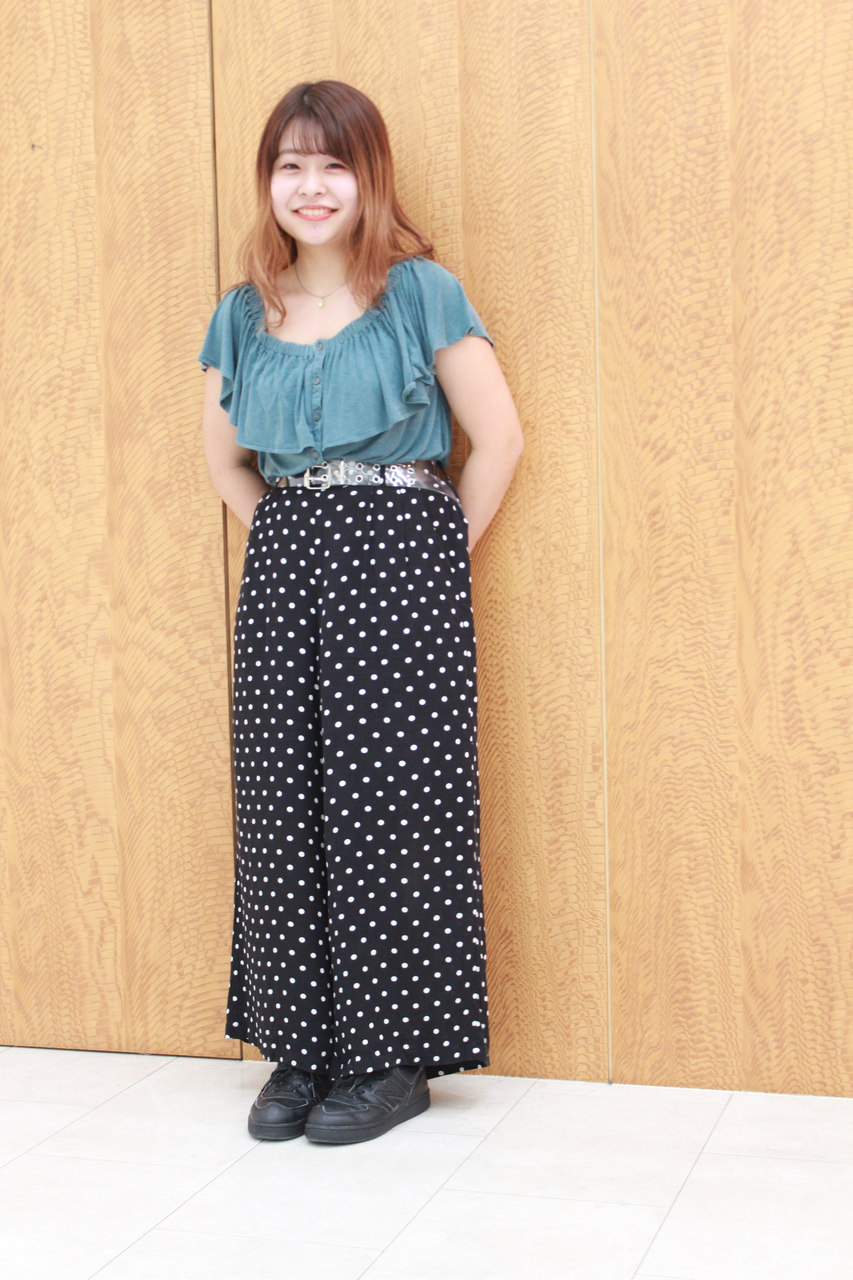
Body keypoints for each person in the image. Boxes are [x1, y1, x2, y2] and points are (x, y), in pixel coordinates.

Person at [199, 80, 523, 1146]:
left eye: (333, 163)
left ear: (368, 175)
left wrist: (423, 559)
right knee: (282, 804)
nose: (311, 185)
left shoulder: (421, 292)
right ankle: (301, 1045)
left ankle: (391, 1058)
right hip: (287, 561)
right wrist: (295, 542)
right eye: (290, 164)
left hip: (403, 561)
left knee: (395, 809)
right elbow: (224, 461)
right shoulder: (243, 311)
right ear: (268, 181)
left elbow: (499, 440)